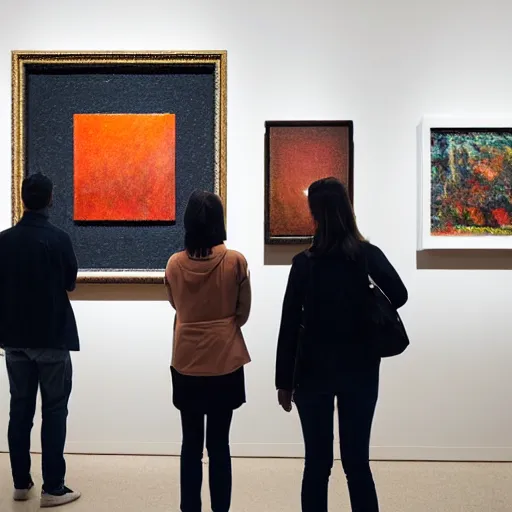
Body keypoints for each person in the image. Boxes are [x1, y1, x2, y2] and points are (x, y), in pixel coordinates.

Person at [275, 177, 408, 512]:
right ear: (347, 211)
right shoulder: (366, 255)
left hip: (312, 372)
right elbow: (401, 295)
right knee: (356, 464)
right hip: (360, 370)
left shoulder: (305, 263)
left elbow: (289, 324)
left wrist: (283, 383)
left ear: (316, 215)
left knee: (317, 465)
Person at [165, 190, 252, 512]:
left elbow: (175, 304)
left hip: (186, 359)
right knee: (219, 445)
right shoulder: (235, 262)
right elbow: (243, 314)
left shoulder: (174, 263)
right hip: (225, 359)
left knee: (190, 444)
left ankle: (190, 508)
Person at [0, 173, 81, 508]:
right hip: (51, 337)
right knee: (54, 411)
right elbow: (71, 283)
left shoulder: (3, 241)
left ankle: (21, 483)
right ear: (50, 200)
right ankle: (53, 487)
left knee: (20, 410)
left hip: (14, 339)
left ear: (22, 199)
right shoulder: (58, 239)